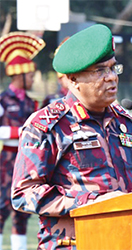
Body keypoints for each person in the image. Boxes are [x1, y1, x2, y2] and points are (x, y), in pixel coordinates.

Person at [11, 24, 132, 250]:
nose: (111, 77)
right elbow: (23, 192)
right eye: (100, 71)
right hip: (74, 243)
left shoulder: (123, 122)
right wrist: (90, 202)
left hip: (124, 240)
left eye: (114, 68)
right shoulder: (49, 125)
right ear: (73, 80)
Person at [0, 31, 45, 250]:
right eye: (30, 75)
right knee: (0, 210)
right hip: (6, 161)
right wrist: (21, 131)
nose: (32, 79)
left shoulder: (32, 104)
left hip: (26, 161)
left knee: (22, 212)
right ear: (19, 75)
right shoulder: (2, 101)